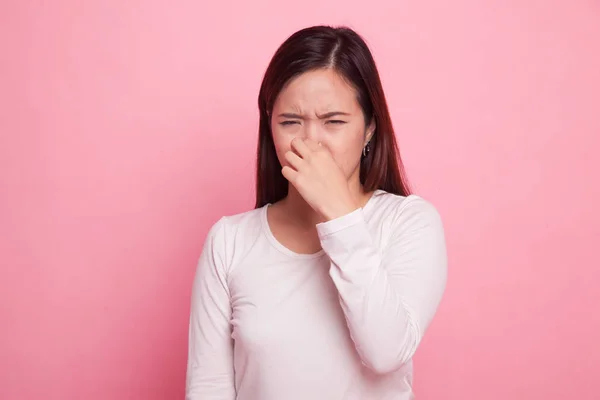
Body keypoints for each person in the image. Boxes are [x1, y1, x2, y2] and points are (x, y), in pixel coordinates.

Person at [185, 25, 447, 400]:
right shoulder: (229, 241)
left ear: (370, 127)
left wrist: (339, 213)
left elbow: (385, 352)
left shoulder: (407, 223)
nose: (310, 141)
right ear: (269, 127)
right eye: (290, 122)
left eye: (334, 122)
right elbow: (208, 388)